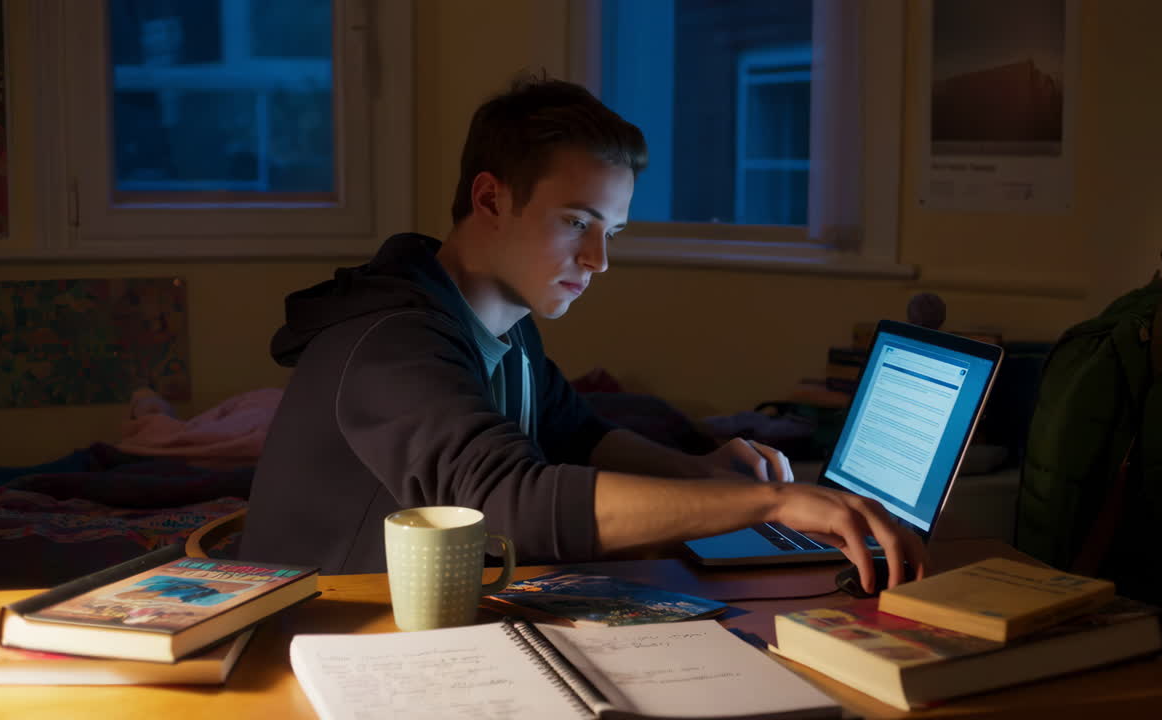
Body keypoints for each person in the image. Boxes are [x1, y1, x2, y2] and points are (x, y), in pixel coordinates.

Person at [239, 76, 926, 593]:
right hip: (328, 636)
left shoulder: (499, 322)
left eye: (611, 232)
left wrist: (702, 470)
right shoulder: (392, 342)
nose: (598, 260)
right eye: (576, 223)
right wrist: (768, 502)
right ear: (490, 200)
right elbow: (512, 505)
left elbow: (578, 433)